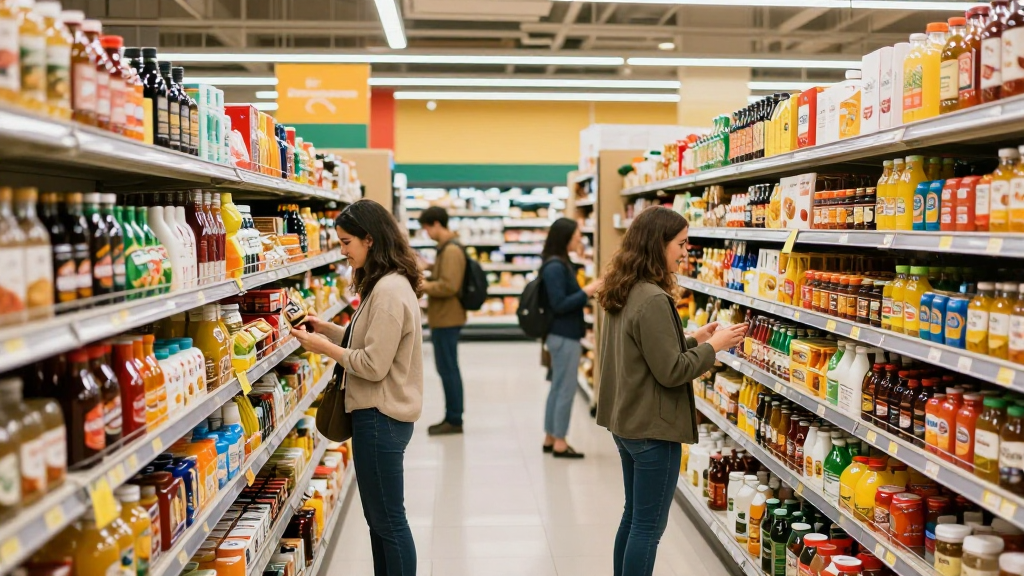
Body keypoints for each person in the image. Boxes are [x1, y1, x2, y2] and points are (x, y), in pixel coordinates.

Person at [595, 206, 746, 576]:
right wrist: (716, 347)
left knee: (633, 517)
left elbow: (643, 349)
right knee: (648, 529)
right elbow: (672, 370)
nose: (685, 251)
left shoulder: (624, 289)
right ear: (657, 245)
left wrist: (693, 337)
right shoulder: (654, 299)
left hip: (625, 422)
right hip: (652, 428)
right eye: (680, 243)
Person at [292, 199, 423, 576]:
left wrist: (326, 349)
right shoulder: (386, 284)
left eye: (347, 242)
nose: (343, 251)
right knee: (379, 521)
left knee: (389, 522)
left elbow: (371, 364)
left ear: (370, 239)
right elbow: (368, 342)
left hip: (381, 418)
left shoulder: (388, 293)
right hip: (380, 415)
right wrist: (327, 329)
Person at [539, 218, 602, 459]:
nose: (580, 239)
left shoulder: (559, 263)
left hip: (559, 334)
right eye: (577, 235)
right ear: (565, 237)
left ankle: (550, 437)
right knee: (565, 389)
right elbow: (560, 304)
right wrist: (587, 291)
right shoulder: (556, 267)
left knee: (556, 387)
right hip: (563, 335)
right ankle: (560, 443)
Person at [417, 206, 467, 436]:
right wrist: (428, 267)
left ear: (436, 224)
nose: (426, 233)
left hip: (448, 318)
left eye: (427, 228)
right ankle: (452, 416)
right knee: (446, 368)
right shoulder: (445, 249)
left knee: (448, 369)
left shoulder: (451, 251)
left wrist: (422, 285)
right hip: (443, 317)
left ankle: (454, 419)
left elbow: (449, 285)